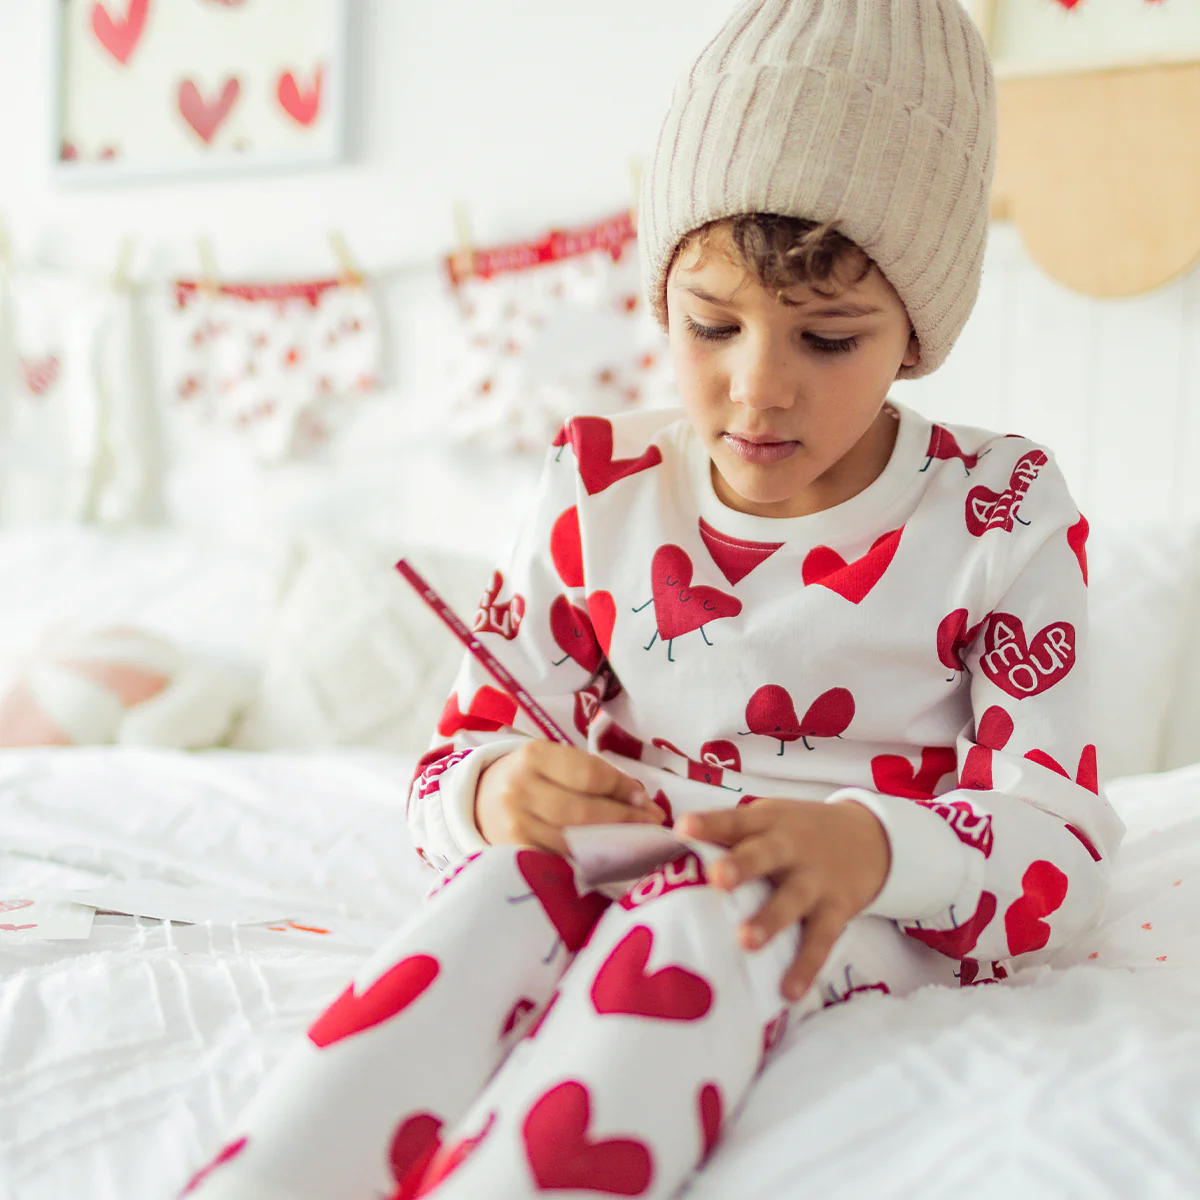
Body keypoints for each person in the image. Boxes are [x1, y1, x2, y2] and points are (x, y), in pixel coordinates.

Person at [182, 1, 1124, 1197]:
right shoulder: (598, 484)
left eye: (829, 340)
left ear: (914, 337)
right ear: (662, 301)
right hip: (613, 856)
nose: (757, 389)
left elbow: (1061, 852)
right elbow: (451, 766)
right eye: (711, 326)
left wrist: (872, 847)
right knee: (493, 897)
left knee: (704, 925)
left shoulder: (1003, 511)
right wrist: (494, 794)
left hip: (851, 897)